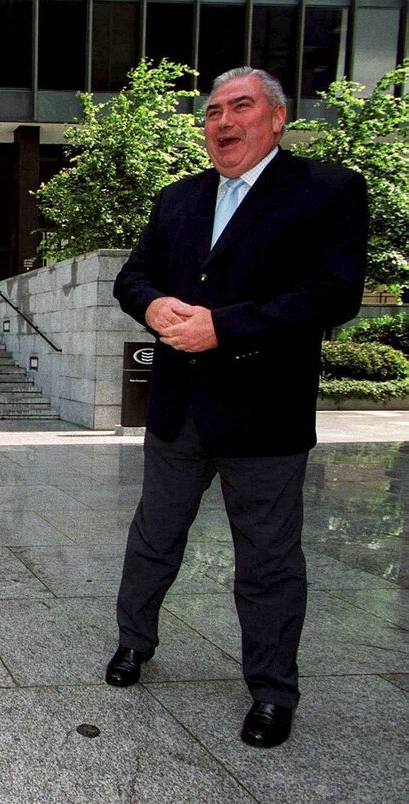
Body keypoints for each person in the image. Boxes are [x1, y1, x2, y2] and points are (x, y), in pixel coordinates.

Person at [106, 67, 367, 748]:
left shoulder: (328, 190)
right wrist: (152, 303)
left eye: (240, 107)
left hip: (264, 414)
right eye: (212, 111)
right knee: (153, 538)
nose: (222, 122)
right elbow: (132, 276)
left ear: (277, 117)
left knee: (270, 563)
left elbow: (332, 294)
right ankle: (134, 642)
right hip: (177, 409)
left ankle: (273, 693)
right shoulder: (178, 199)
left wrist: (226, 326)